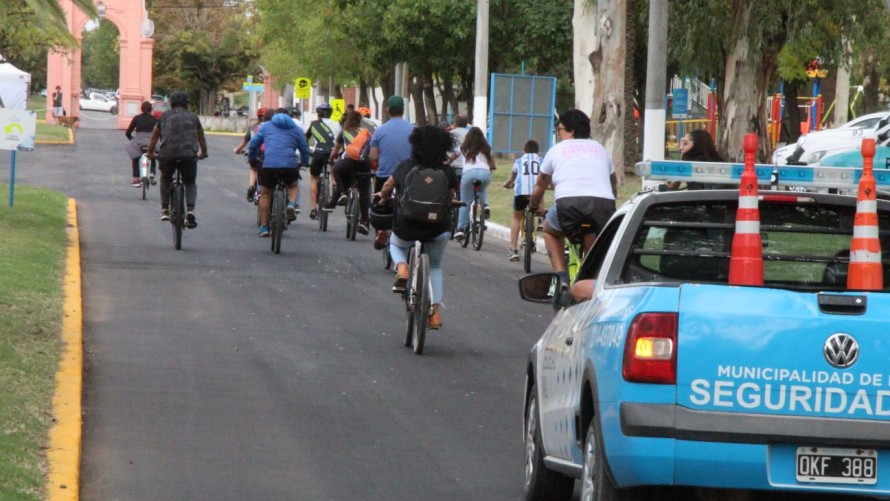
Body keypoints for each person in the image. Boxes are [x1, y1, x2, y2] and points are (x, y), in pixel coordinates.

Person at [375, 125, 458, 329]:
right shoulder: (447, 171)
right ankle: (434, 312)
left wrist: (383, 197)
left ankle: (402, 267)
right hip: (438, 228)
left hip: (407, 225)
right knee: (436, 267)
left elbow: (387, 187)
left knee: (395, 244)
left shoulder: (405, 166)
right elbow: (449, 198)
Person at [528, 109, 616, 284]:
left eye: (560, 129)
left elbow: (540, 185)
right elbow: (612, 183)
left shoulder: (556, 150)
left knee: (549, 230)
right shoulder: (600, 149)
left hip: (569, 205)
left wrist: (533, 206)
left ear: (571, 130)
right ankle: (592, 277)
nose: (558, 134)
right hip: (603, 205)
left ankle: (561, 278)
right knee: (595, 238)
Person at [146, 91, 208, 228]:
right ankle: (190, 210)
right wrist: (204, 152)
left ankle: (164, 209)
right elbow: (201, 136)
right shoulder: (193, 117)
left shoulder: (164, 116)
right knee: (190, 182)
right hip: (189, 156)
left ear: (171, 103)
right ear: (186, 104)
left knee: (165, 178)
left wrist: (150, 152)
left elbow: (154, 137)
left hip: (167, 155)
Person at [248, 108, 311, 237]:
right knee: (292, 185)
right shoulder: (296, 129)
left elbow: (253, 144)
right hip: (289, 164)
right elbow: (305, 149)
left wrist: (253, 159)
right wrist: (304, 162)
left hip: (269, 164)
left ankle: (264, 227)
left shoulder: (265, 127)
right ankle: (291, 204)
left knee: (265, 194)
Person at [369, 95, 414, 249]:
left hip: (385, 175)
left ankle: (381, 229)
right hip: (409, 176)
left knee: (380, 201)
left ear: (387, 110)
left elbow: (373, 156)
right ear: (403, 110)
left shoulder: (379, 131)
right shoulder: (413, 130)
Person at [327, 110, 372, 235]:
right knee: (364, 193)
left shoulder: (344, 132)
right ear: (360, 121)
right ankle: (364, 221)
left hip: (347, 162)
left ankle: (343, 192)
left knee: (337, 170)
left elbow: (336, 149)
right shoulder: (366, 133)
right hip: (363, 164)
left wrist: (331, 160)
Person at [453, 126, 496, 240]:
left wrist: (446, 162)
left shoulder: (463, 147)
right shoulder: (486, 148)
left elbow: (452, 157)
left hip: (468, 174)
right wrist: (491, 167)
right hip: (484, 173)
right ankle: (485, 205)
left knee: (465, 201)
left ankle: (461, 229)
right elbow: (493, 163)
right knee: (482, 189)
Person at [502, 139, 541, 261]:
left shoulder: (519, 161)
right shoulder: (541, 160)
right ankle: (541, 219)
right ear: (537, 151)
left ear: (524, 151)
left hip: (520, 194)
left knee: (516, 217)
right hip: (536, 194)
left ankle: (512, 249)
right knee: (540, 191)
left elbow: (512, 178)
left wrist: (506, 184)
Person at [304, 102, 340, 220]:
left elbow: (306, 138)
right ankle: (334, 187)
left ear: (318, 113)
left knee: (314, 177)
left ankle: (313, 208)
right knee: (333, 168)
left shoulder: (314, 124)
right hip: (332, 154)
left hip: (318, 154)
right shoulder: (337, 124)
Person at [234, 107, 273, 202]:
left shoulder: (253, 127)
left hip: (256, 152)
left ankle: (252, 186)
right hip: (268, 154)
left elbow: (246, 140)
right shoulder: (272, 127)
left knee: (253, 168)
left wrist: (237, 150)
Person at [124, 101, 158, 187]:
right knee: (153, 154)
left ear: (141, 109)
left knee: (135, 157)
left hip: (138, 141)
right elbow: (159, 133)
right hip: (151, 140)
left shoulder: (136, 118)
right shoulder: (155, 119)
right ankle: (152, 173)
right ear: (151, 109)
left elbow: (128, 132)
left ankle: (136, 178)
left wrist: (131, 139)